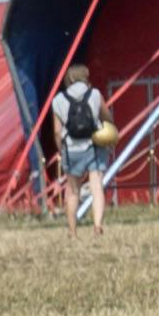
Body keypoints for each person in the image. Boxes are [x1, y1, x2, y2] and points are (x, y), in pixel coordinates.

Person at [50, 64, 114, 227]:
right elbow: (107, 117)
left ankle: (72, 229)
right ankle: (98, 225)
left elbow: (57, 132)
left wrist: (61, 150)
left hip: (71, 149)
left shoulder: (58, 100)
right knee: (96, 187)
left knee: (72, 191)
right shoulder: (95, 94)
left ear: (69, 78)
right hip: (94, 147)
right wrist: (109, 136)